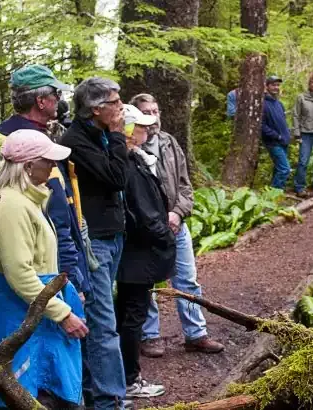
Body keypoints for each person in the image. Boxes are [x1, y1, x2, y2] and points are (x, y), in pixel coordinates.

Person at [0, 129, 89, 408]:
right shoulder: (12, 206)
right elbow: (19, 274)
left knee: (49, 393)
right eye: (48, 160)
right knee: (30, 394)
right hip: (23, 314)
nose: (54, 166)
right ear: (28, 165)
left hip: (37, 309)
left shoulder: (27, 201)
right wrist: (62, 313)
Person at [129, 94, 226, 358]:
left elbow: (185, 186)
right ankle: (149, 336)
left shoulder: (170, 144)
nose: (153, 118)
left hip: (176, 224)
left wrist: (177, 213)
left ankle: (196, 334)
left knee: (187, 279)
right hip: (146, 230)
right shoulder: (129, 148)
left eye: (156, 111)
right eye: (147, 112)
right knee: (147, 283)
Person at [59, 77, 130, 409]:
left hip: (112, 235)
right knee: (103, 322)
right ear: (96, 108)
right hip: (94, 243)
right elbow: (116, 176)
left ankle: (98, 390)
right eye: (115, 102)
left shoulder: (100, 134)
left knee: (104, 316)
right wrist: (118, 136)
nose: (120, 108)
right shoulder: (76, 140)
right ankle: (109, 399)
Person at [116, 106, 175, 399]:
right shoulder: (128, 164)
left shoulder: (133, 160)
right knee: (132, 316)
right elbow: (144, 211)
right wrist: (165, 237)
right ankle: (129, 379)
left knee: (127, 313)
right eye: (139, 126)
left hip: (136, 253)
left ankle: (123, 377)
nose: (146, 130)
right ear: (127, 130)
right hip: (138, 254)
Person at [0, 64, 71, 172]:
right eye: (56, 93)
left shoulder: (45, 129)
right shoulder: (23, 140)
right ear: (41, 101)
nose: (59, 99)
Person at [261, 75, 292, 189]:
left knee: (278, 169)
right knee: (285, 169)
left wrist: (286, 135)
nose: (276, 87)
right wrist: (277, 136)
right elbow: (262, 126)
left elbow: (282, 123)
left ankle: (275, 192)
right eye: (273, 85)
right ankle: (273, 196)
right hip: (273, 143)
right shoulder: (262, 104)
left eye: (278, 85)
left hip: (283, 141)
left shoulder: (279, 104)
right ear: (266, 86)